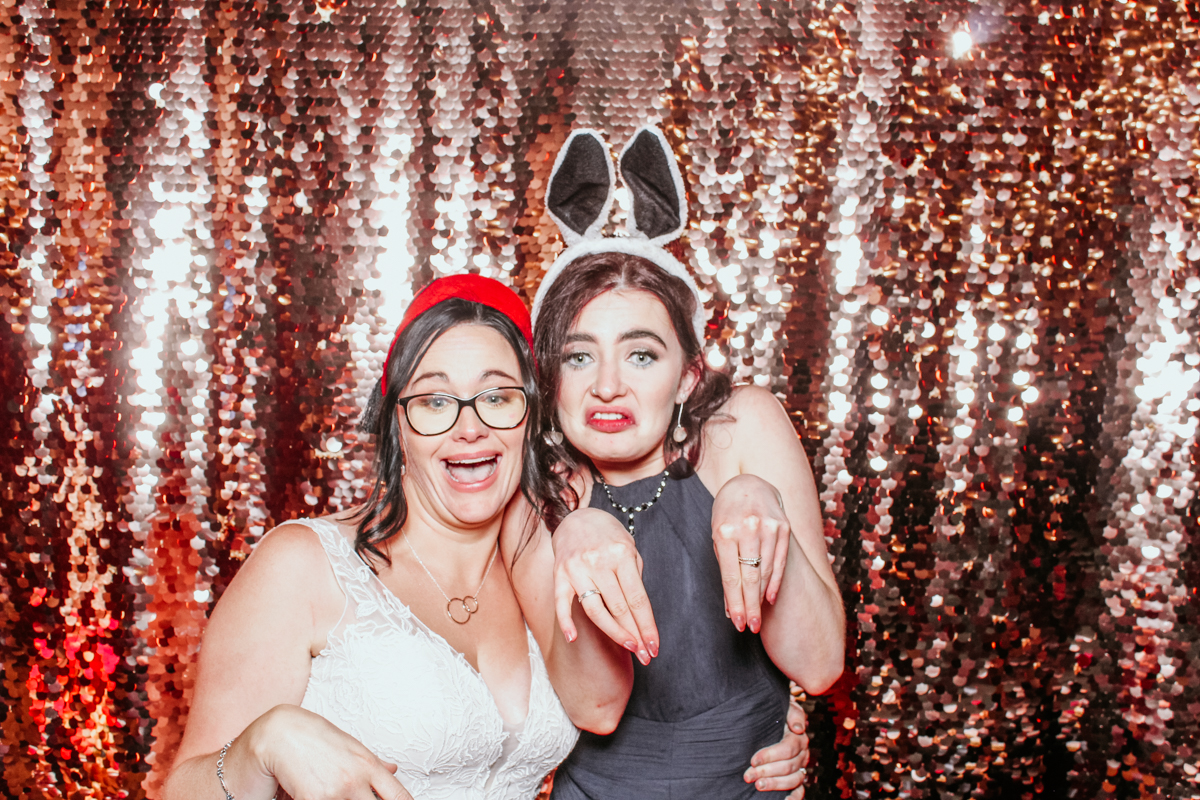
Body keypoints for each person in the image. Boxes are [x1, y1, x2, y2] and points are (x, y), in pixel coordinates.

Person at [502, 127, 845, 799]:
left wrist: (756, 502)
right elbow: (594, 707)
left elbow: (822, 663)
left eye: (640, 355)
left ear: (687, 376)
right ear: (550, 377)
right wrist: (573, 535)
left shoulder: (744, 427)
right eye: (579, 356)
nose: (607, 385)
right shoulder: (528, 493)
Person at [163, 275, 588, 800]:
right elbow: (181, 790)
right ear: (398, 427)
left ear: (530, 415)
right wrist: (264, 742)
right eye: (435, 401)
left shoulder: (543, 560)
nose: (469, 427)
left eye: (497, 395)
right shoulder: (303, 563)